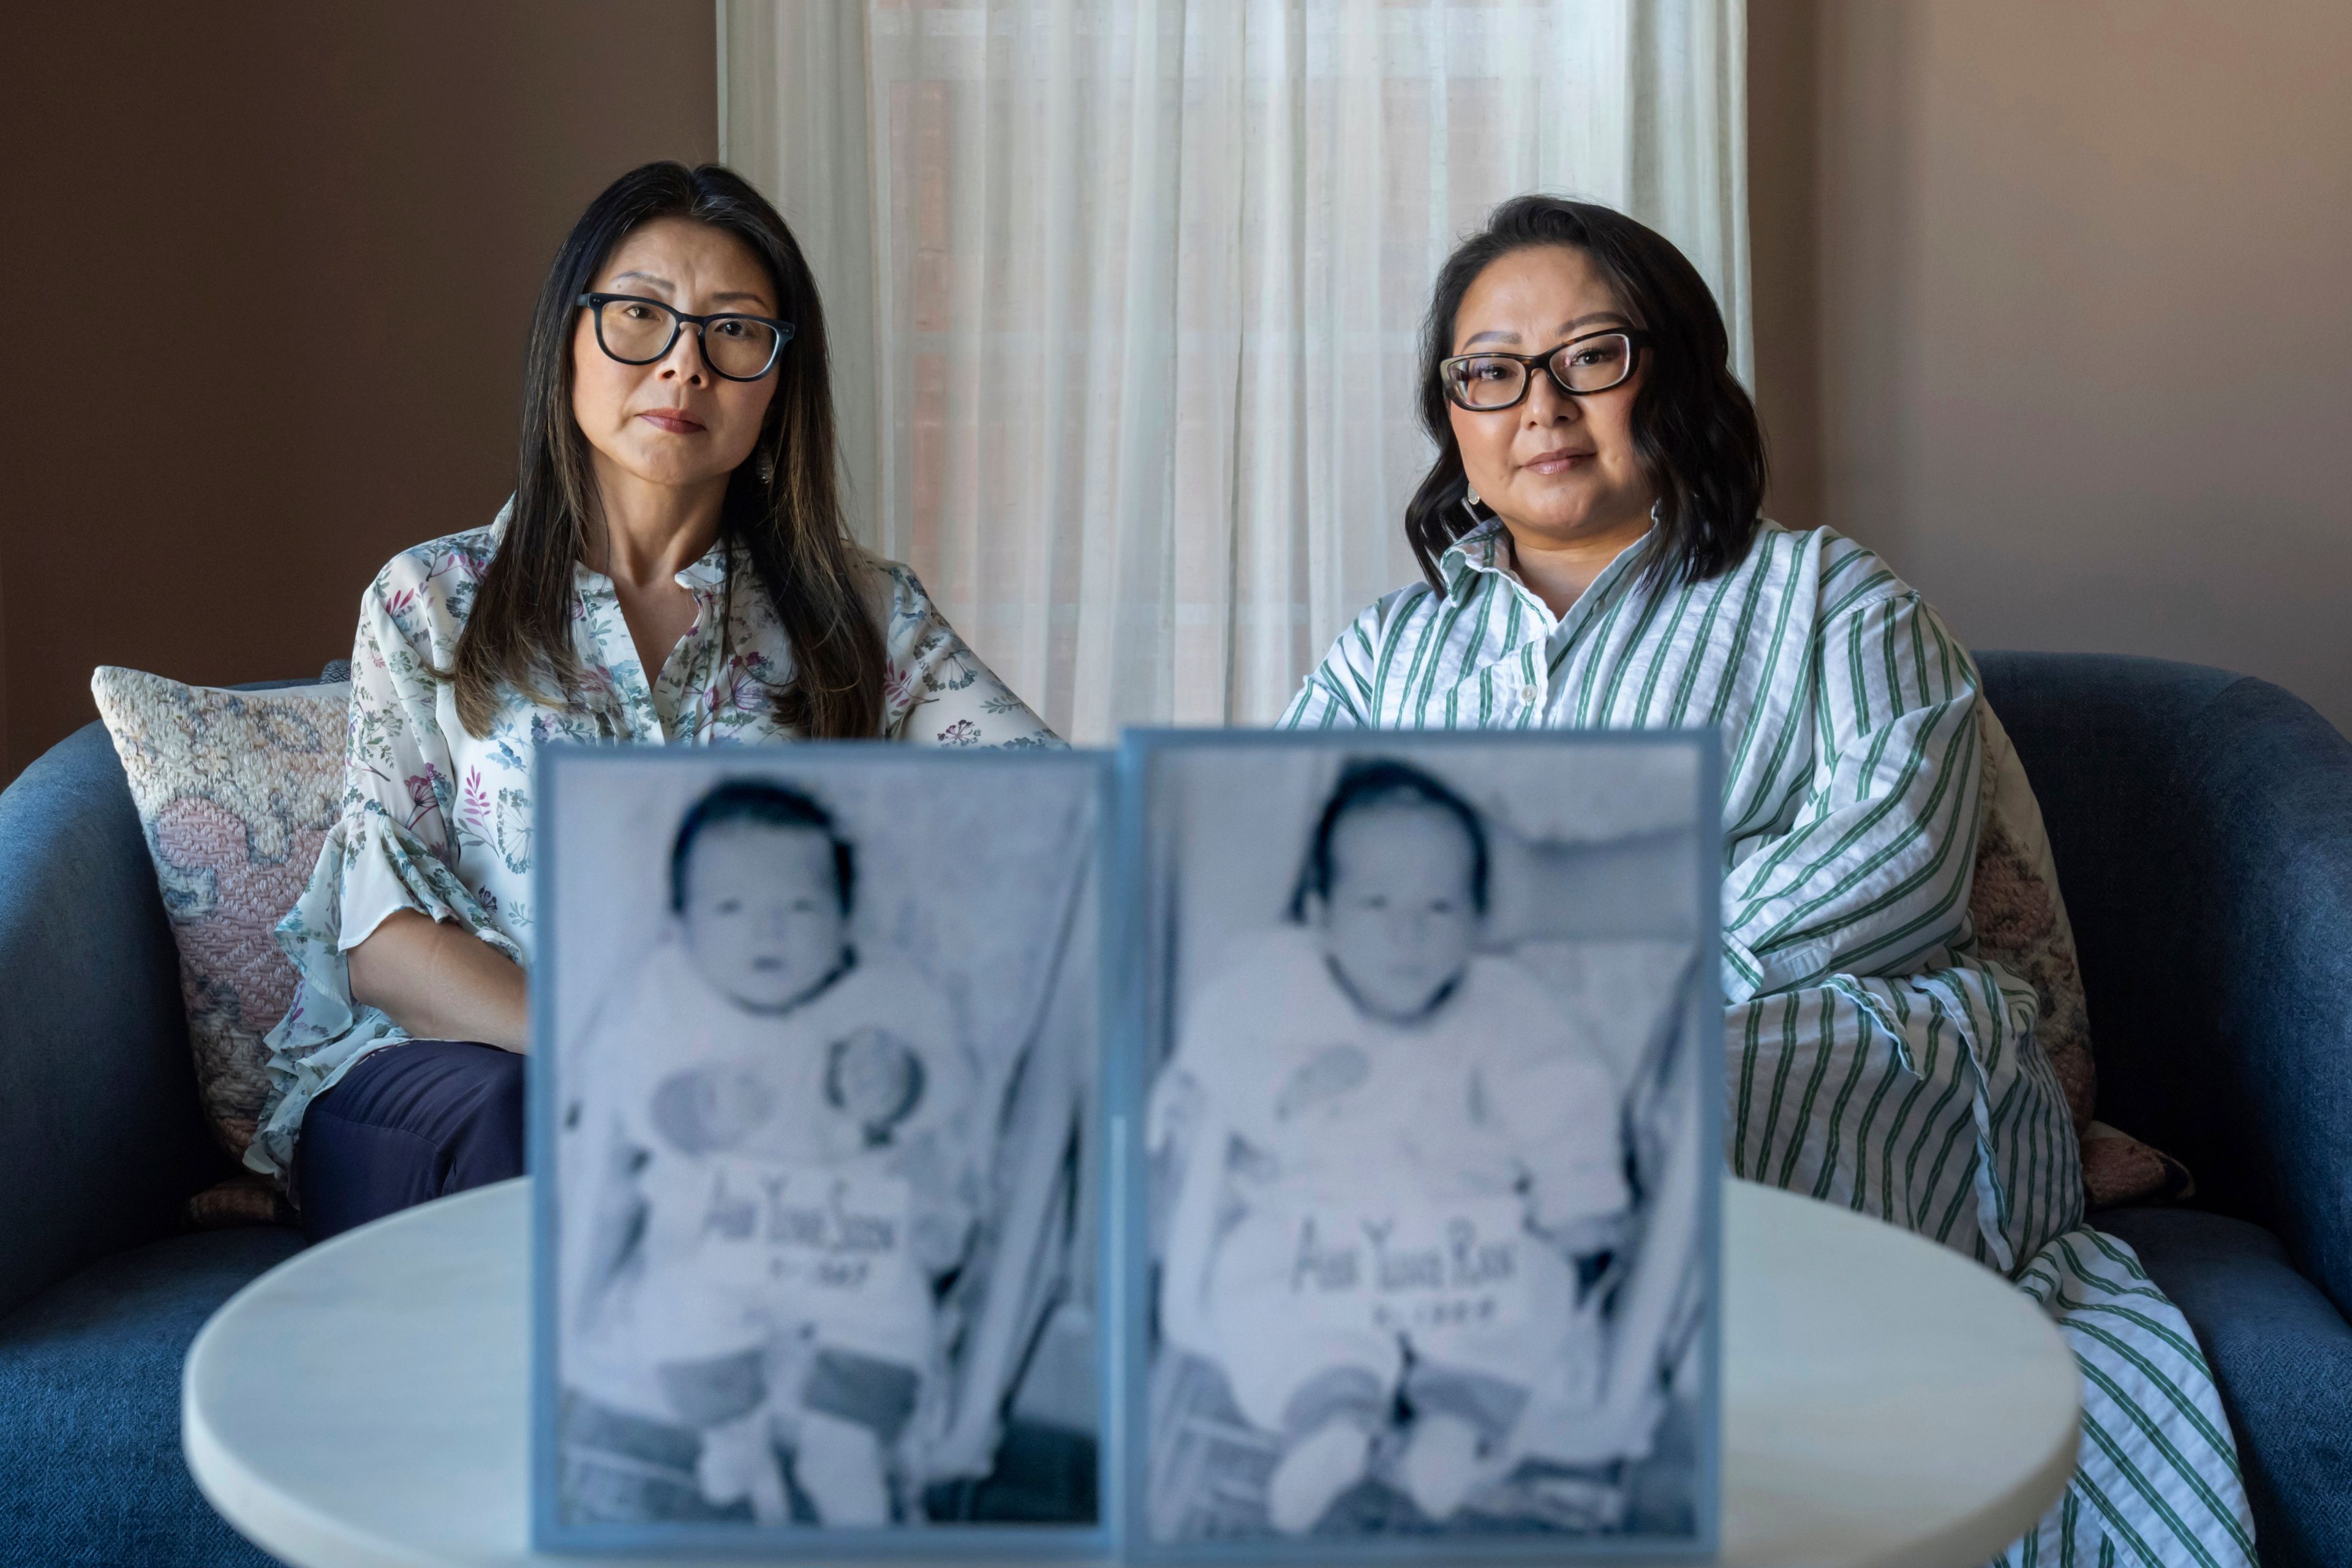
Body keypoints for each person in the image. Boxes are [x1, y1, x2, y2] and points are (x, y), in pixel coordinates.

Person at [1279, 194, 2253, 1567]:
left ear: (1674, 374)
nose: (1540, 404)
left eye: (1592, 356)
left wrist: (1579, 984)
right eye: (1490, 371)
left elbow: (1893, 865)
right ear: (1455, 420)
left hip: (1832, 1039)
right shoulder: (1388, 653)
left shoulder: (1830, 597)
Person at [257, 161, 1054, 1244]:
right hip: (451, 1080)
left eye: (734, 332)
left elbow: (1054, 818)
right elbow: (383, 942)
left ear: (778, 379)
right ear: (571, 338)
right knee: (533, 1114)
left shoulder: (863, 615)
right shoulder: (430, 600)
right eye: (640, 315)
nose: (684, 364)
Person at [1152, 759, 1628, 1534]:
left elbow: (1563, 1099)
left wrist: (1580, 1197)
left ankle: (1455, 1420)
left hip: (1462, 1234)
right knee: (1252, 1278)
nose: (1408, 931)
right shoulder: (1274, 983)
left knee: (1537, 1284)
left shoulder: (1506, 1010)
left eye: (1440, 906)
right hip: (1316, 1225)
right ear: (1320, 913)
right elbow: (1212, 1063)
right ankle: (1331, 1417)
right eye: (1375, 902)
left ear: (1478, 922)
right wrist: (1282, 1097)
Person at [566, 779, 977, 1526]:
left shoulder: (887, 994)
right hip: (711, 1228)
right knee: (678, 1314)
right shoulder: (669, 993)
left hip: (848, 1232)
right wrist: (686, 1109)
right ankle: (734, 1429)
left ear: (846, 918)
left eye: (800, 907)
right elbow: (629, 1097)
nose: (770, 932)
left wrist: (903, 1085)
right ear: (683, 925)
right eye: (730, 908)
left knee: (895, 1321)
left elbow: (950, 1083)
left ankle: (844, 1441)